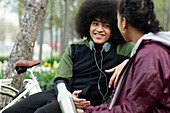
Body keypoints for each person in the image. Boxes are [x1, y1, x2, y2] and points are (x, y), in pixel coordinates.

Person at [3, 0, 134, 113]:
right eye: (95, 24)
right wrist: (66, 96)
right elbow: (61, 79)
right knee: (12, 111)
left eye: (106, 25)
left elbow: (146, 53)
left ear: (114, 29)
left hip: (90, 103)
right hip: (62, 94)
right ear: (87, 26)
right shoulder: (75, 48)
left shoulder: (123, 49)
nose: (99, 29)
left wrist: (128, 62)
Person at [79, 0, 170, 112]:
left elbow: (132, 109)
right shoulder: (151, 51)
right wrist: (87, 110)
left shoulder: (150, 56)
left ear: (124, 22)